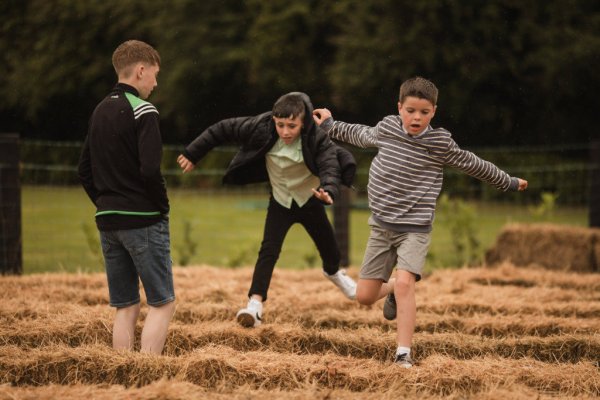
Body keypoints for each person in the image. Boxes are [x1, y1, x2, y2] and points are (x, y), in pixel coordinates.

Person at [313, 76, 528, 368]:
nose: (417, 117)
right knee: (364, 297)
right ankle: (396, 291)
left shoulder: (440, 142)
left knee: (405, 285)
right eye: (411, 110)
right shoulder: (388, 127)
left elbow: (472, 163)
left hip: (415, 228)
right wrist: (329, 126)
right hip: (381, 226)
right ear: (399, 107)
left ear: (434, 112)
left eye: (424, 112)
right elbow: (360, 134)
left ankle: (403, 353)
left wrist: (509, 181)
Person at [177, 92, 357, 328]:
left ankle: (334, 274)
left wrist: (329, 191)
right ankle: (254, 305)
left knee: (330, 250)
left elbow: (329, 166)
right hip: (280, 201)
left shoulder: (316, 139)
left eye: (291, 126)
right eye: (280, 124)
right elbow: (221, 129)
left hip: (310, 199)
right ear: (273, 120)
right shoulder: (259, 128)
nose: (285, 131)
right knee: (268, 250)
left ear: (303, 123)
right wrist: (193, 153)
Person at [78, 40, 175, 354]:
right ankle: (146, 380)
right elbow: (149, 170)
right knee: (162, 303)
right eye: (155, 75)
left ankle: (121, 375)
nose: (156, 84)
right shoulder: (144, 110)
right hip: (143, 218)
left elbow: (84, 170)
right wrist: (161, 206)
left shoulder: (99, 111)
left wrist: (106, 202)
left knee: (126, 305)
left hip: (107, 220)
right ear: (141, 70)